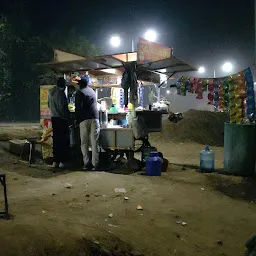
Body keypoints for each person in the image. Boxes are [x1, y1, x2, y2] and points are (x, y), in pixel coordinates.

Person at [75, 75, 100, 171]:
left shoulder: (80, 93)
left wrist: (76, 120)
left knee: (84, 143)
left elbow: (78, 108)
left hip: (84, 120)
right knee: (94, 142)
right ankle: (95, 164)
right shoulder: (92, 91)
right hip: (95, 119)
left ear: (80, 85)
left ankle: (86, 163)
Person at [48, 77, 70, 168]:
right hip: (62, 119)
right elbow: (62, 108)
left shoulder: (50, 92)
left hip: (54, 118)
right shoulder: (60, 93)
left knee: (56, 140)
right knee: (63, 141)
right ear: (63, 85)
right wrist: (68, 118)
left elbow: (49, 105)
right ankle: (62, 161)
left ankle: (56, 161)